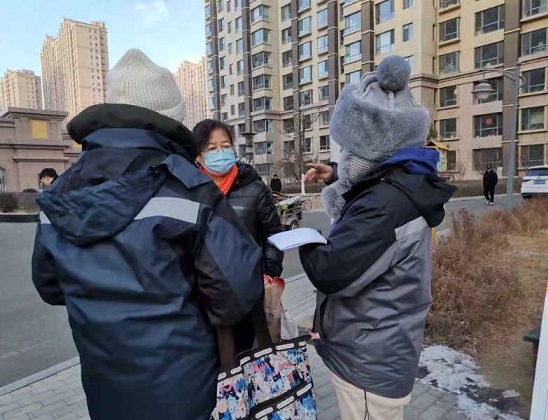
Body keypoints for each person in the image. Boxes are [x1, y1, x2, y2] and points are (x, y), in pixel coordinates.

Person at [31, 49, 263, 420]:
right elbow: (236, 293)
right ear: (171, 119)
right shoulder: (189, 189)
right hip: (185, 385)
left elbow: (50, 286)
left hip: (105, 385)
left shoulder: (59, 194)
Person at [299, 56, 456, 420]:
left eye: (348, 150)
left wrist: (304, 239)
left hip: (368, 363)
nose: (343, 158)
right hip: (381, 348)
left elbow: (330, 272)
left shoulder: (383, 207)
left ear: (369, 152)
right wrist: (336, 175)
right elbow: (373, 180)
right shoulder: (404, 185)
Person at [192, 119, 284, 349]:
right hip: (204, 296)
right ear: (198, 156)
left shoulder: (254, 188)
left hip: (248, 293)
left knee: (249, 354)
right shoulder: (190, 190)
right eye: (212, 148)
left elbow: (274, 233)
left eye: (225, 146)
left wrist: (268, 272)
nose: (220, 152)